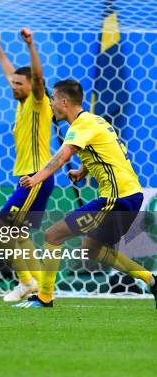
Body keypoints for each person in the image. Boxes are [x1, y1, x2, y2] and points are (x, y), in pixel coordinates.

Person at [15, 79, 156, 308]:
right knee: (92, 249)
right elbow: (108, 151)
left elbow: (61, 156)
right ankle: (151, 280)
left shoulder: (80, 126)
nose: (50, 104)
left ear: (63, 101)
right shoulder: (94, 121)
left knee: (53, 236)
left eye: (52, 100)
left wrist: (35, 178)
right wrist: (83, 170)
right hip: (127, 195)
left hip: (118, 198)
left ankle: (44, 297)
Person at [0, 28, 54, 302]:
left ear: (32, 87)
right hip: (29, 178)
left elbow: (37, 77)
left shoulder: (38, 102)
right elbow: (9, 72)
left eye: (18, 84)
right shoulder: (21, 103)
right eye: (12, 84)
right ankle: (39, 287)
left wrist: (31, 45)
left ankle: (25, 281)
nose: (12, 87)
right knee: (20, 233)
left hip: (36, 177)